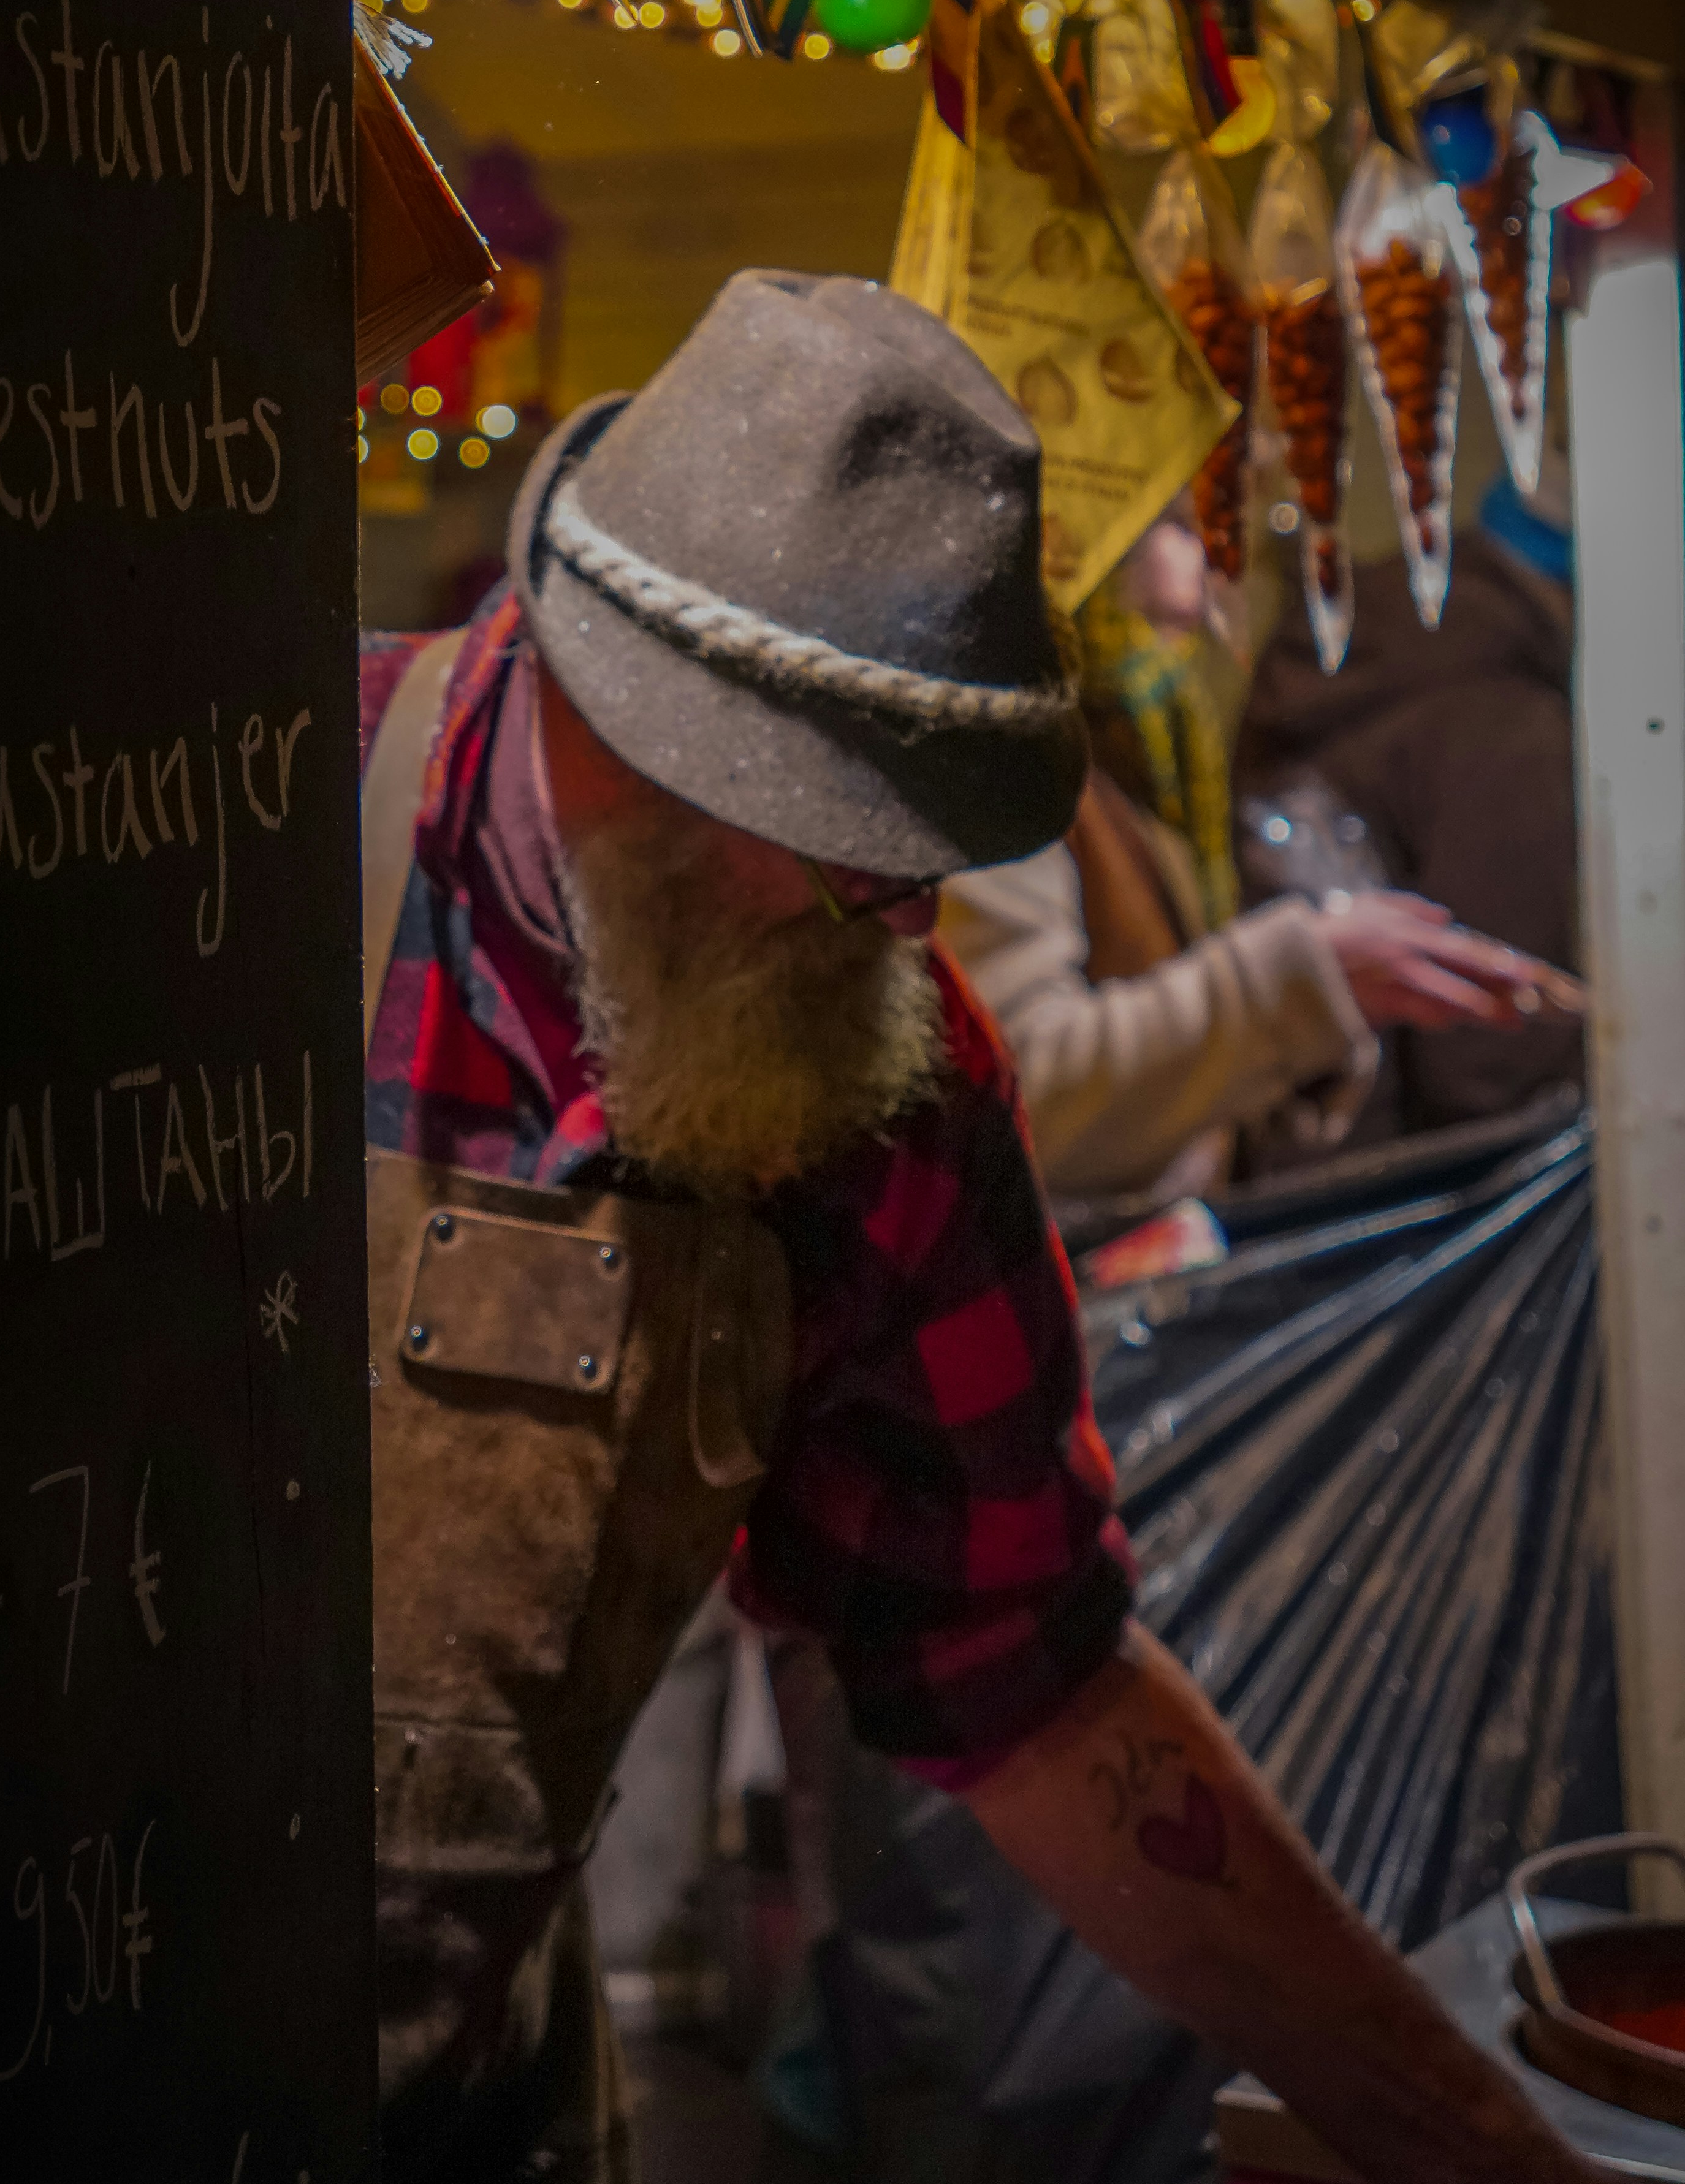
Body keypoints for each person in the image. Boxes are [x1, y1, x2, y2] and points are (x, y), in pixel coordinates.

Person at [359, 267, 1601, 2184]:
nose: (905, 923)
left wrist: (1469, 2143)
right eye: (848, 835)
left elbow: (1026, 1669)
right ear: (629, 710)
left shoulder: (871, 1061)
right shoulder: (231, 820)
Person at [942, 509, 1577, 1197]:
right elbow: (1013, 1093)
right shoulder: (996, 762)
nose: (1210, 576)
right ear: (1075, 540)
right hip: (1068, 1285)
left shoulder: (1146, 757)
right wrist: (1301, 977)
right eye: (1179, 527)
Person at [1235, 460, 1584, 1139]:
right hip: (1423, 1199)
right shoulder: (1504, 719)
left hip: (1321, 1171)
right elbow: (1498, 1054)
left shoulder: (1383, 655)